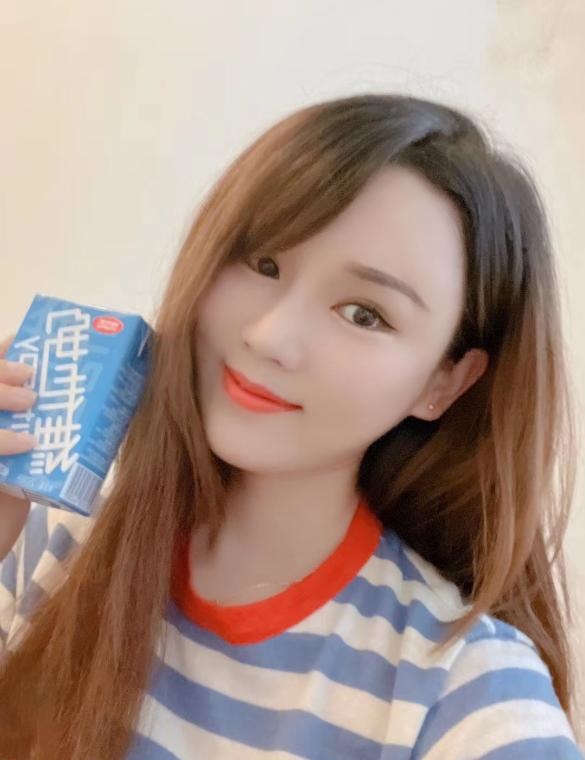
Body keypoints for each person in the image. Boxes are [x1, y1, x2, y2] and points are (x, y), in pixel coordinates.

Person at [0, 93, 583, 760]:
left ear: (442, 383)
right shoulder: (55, 539)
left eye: (364, 314)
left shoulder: (467, 694)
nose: (270, 336)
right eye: (264, 264)